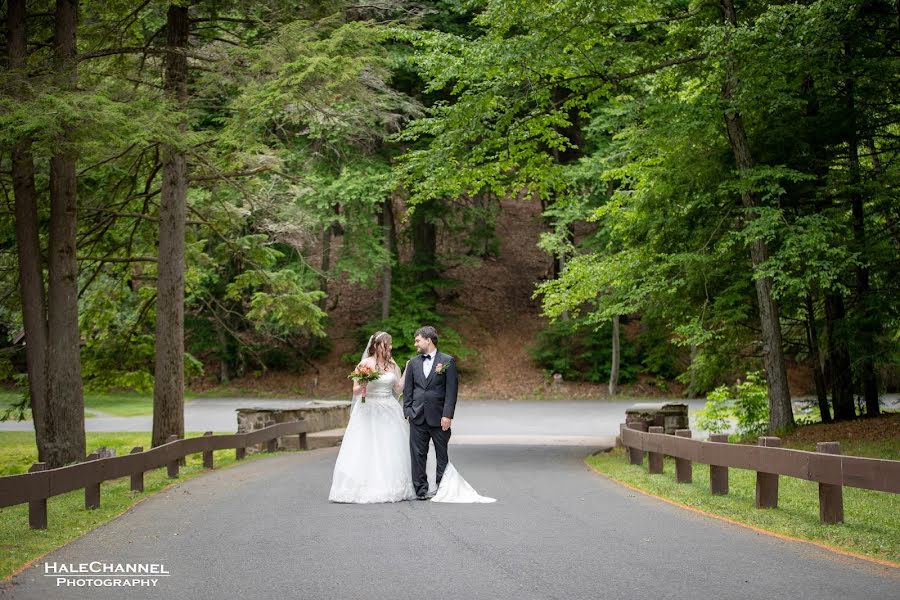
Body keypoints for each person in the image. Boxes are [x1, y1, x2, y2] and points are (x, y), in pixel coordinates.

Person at [328, 329, 495, 504]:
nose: (391, 346)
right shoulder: (365, 364)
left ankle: (439, 487)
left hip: (392, 409)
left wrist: (408, 369)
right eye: (388, 343)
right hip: (372, 410)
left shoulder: (395, 364)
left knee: (394, 449)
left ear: (428, 340)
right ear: (378, 345)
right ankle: (409, 488)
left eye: (417, 341)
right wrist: (366, 381)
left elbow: (399, 388)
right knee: (379, 449)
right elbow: (356, 390)